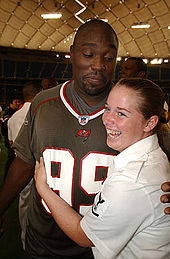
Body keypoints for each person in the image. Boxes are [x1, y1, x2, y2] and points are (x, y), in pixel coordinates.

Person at [0, 19, 169, 258]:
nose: (98, 65)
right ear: (72, 54)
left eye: (109, 58)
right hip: (44, 244)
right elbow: (25, 163)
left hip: (98, 249)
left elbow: (158, 162)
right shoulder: (44, 103)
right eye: (88, 54)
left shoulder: (135, 112)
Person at [35, 78, 170, 258]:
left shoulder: (132, 181)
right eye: (107, 108)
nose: (107, 119)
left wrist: (43, 189)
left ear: (150, 123)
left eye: (121, 113)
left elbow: (83, 236)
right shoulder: (146, 159)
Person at [7, 81, 42, 250]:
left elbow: (12, 143)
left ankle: (24, 241)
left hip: (19, 167)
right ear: (37, 94)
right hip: (37, 167)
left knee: (24, 205)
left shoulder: (13, 117)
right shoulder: (41, 111)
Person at [1, 97, 21, 179]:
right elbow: (7, 123)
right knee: (11, 159)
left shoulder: (18, 111)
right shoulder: (8, 112)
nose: (17, 103)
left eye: (18, 102)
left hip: (15, 138)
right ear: (10, 104)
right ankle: (7, 178)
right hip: (9, 139)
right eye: (15, 102)